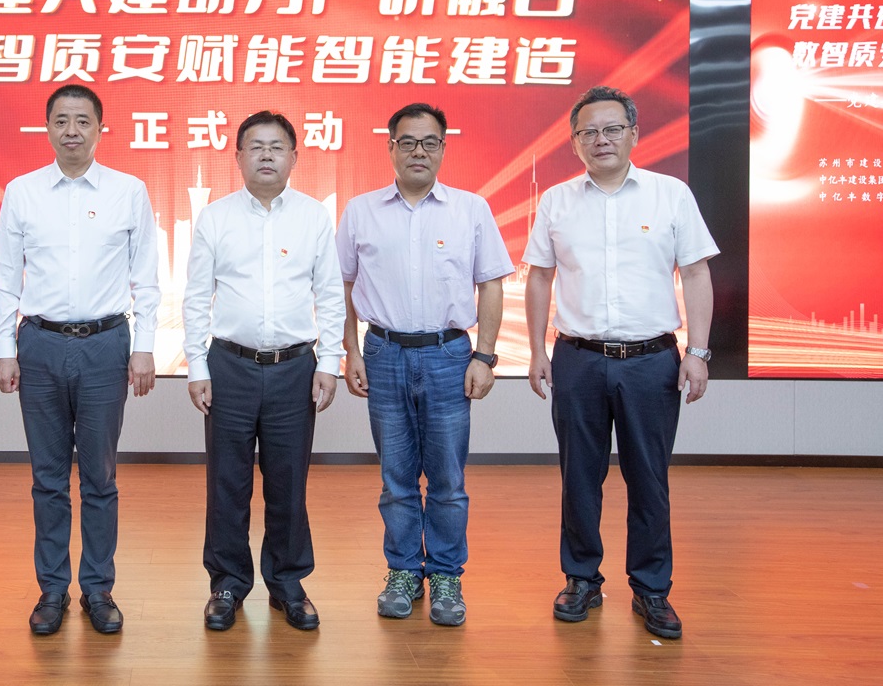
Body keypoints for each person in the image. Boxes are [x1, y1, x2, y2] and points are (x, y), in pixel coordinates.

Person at [523, 85, 718, 640]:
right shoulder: (557, 200)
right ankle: (581, 579)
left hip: (652, 361)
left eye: (612, 129)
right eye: (588, 132)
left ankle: (652, 588)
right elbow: (539, 276)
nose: (601, 139)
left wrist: (698, 352)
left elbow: (696, 273)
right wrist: (536, 351)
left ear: (634, 133)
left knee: (649, 479)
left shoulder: (670, 194)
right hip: (578, 359)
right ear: (574, 142)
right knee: (579, 478)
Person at [0, 84, 159, 636]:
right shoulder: (22, 191)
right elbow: (4, 277)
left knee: (100, 477)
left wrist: (144, 347)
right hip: (39, 344)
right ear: (47, 128)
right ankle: (52, 590)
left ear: (99, 129)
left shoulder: (128, 191)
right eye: (61, 120)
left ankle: (98, 588)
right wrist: (4, 349)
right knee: (47, 477)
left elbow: (146, 277)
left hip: (105, 345)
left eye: (82, 121)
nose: (71, 131)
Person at [337, 102, 513, 626]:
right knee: (395, 477)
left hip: (449, 354)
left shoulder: (471, 209)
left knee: (447, 479)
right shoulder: (361, 211)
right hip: (384, 352)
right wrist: (351, 350)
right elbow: (341, 285)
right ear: (390, 147)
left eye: (430, 142)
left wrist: (485, 355)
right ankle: (402, 571)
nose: (419, 151)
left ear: (443, 148)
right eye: (408, 142)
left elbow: (491, 284)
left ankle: (446, 575)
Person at [183, 110, 345, 632]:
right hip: (228, 366)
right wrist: (196, 365)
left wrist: (330, 363)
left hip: (295, 368)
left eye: (277, 147)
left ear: (295, 157)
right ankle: (227, 584)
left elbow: (330, 295)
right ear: (238, 157)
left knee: (288, 482)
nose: (267, 155)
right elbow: (196, 297)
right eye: (256, 146)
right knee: (226, 484)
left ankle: (288, 584)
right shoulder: (216, 217)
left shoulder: (314, 218)